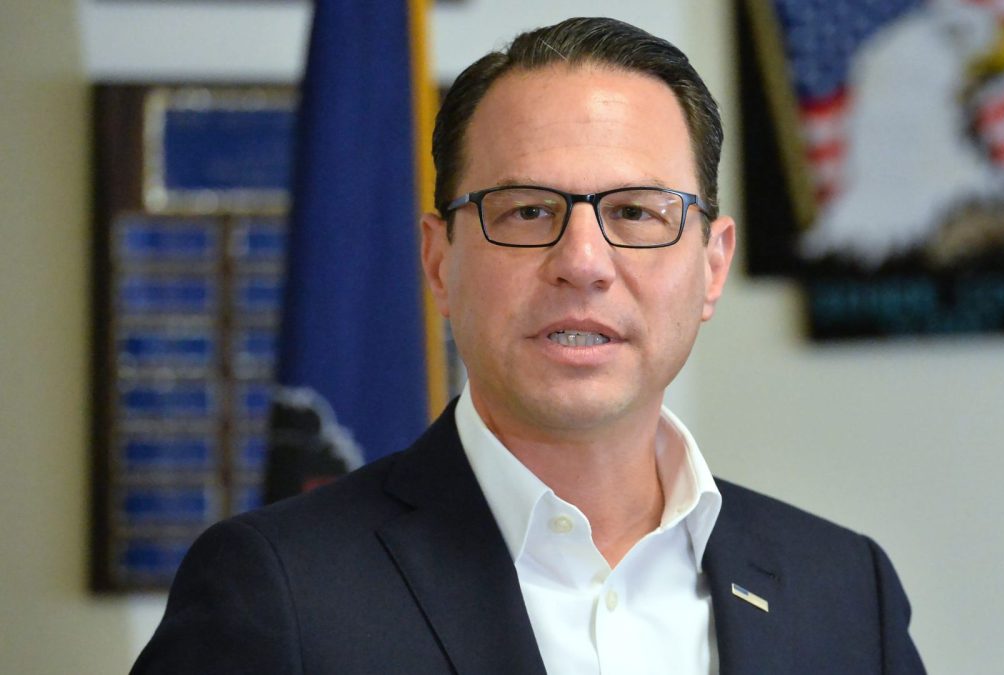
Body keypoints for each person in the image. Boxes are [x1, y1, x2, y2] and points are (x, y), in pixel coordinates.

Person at [133, 17, 924, 674]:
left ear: (712, 265)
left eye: (638, 214)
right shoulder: (277, 590)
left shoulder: (846, 591)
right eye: (525, 212)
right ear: (440, 263)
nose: (583, 263)